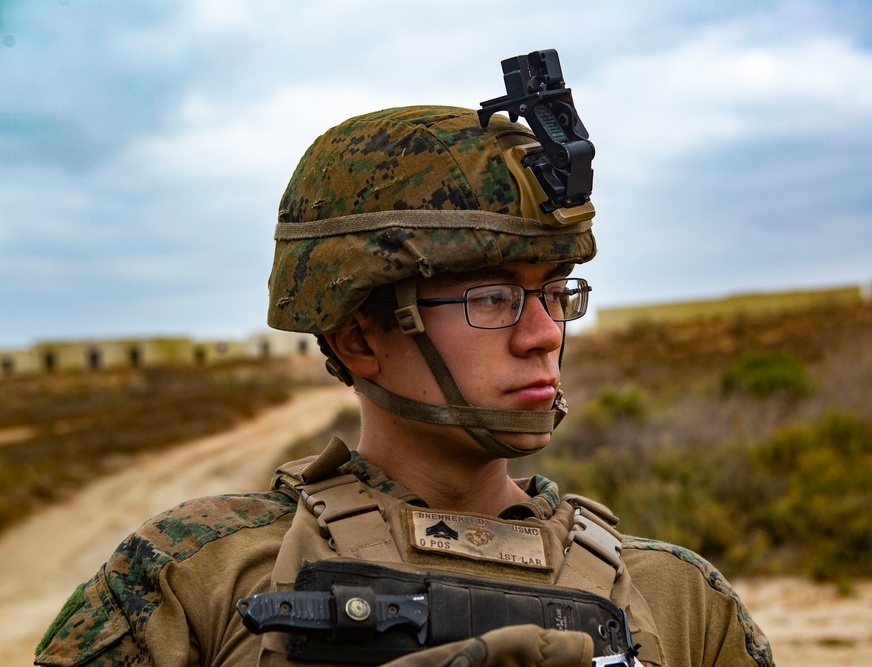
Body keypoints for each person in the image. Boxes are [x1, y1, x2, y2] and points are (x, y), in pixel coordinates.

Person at [35, 62, 773, 667]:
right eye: (493, 298)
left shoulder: (679, 600)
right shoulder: (195, 576)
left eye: (555, 291)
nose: (544, 333)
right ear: (359, 337)